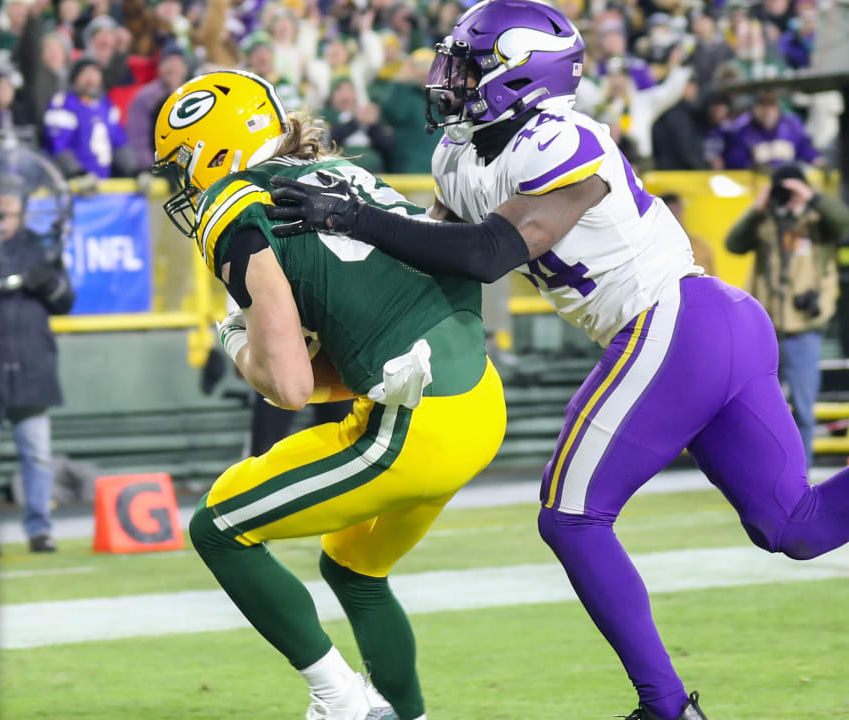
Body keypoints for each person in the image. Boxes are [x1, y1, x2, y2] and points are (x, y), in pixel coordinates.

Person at [264, 2, 849, 718]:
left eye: (469, 66)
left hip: (676, 323)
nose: (450, 78)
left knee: (570, 516)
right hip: (710, 329)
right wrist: (337, 229)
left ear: (521, 76)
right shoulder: (460, 155)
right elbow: (435, 257)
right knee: (793, 527)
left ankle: (668, 709)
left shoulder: (564, 139)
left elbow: (485, 256)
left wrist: (354, 218)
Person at [154, 70, 506, 720]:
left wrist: (235, 344)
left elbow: (288, 387)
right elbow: (348, 362)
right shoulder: (340, 172)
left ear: (214, 147)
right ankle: (405, 715)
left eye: (183, 161)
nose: (184, 180)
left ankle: (340, 698)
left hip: (412, 427)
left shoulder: (235, 206)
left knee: (219, 526)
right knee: (354, 569)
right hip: (478, 400)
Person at [725, 164, 849, 464]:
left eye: (791, 189)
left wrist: (811, 199)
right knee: (758, 408)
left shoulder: (818, 223)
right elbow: (733, 244)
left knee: (804, 409)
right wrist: (757, 209)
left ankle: (800, 477)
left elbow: (843, 222)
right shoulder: (765, 221)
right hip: (765, 331)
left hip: (804, 329)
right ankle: (761, 471)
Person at [0, 181, 76, 555]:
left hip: (32, 365)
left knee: (38, 456)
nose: (0, 219)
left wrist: (49, 283)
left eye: (7, 211)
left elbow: (65, 302)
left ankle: (40, 531)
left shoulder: (40, 248)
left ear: (22, 212)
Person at [43, 58, 132, 178]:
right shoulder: (63, 104)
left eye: (95, 73)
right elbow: (58, 145)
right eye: (85, 73)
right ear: (75, 78)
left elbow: (119, 142)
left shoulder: (106, 104)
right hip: (74, 185)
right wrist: (77, 174)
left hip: (103, 183)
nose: (90, 78)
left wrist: (134, 170)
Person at [719, 90, 822, 170]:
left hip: (787, 178)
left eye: (771, 105)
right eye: (762, 105)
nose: (767, 111)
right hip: (754, 183)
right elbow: (732, 161)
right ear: (754, 107)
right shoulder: (742, 128)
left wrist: (817, 160)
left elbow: (805, 147)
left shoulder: (791, 124)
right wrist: (751, 158)